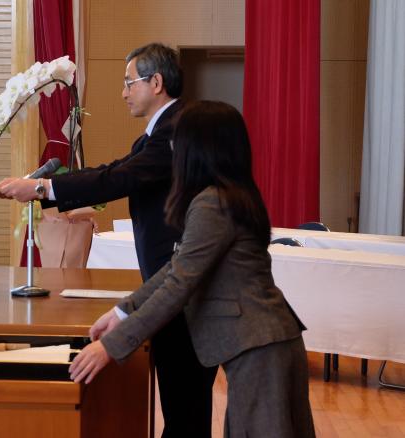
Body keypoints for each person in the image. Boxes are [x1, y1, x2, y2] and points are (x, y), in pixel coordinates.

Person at [0, 43, 218, 437]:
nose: (123, 92)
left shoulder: (177, 131)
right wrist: (42, 186)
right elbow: (117, 169)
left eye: (129, 82)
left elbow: (118, 180)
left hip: (183, 292)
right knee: (184, 411)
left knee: (185, 412)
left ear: (157, 82)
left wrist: (44, 188)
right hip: (171, 287)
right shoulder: (161, 131)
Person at [69, 101, 316, 438]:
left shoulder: (213, 202)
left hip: (260, 346)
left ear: (200, 147)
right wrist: (123, 311)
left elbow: (179, 284)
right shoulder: (229, 194)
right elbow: (176, 267)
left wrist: (112, 345)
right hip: (267, 342)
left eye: (177, 141)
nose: (173, 149)